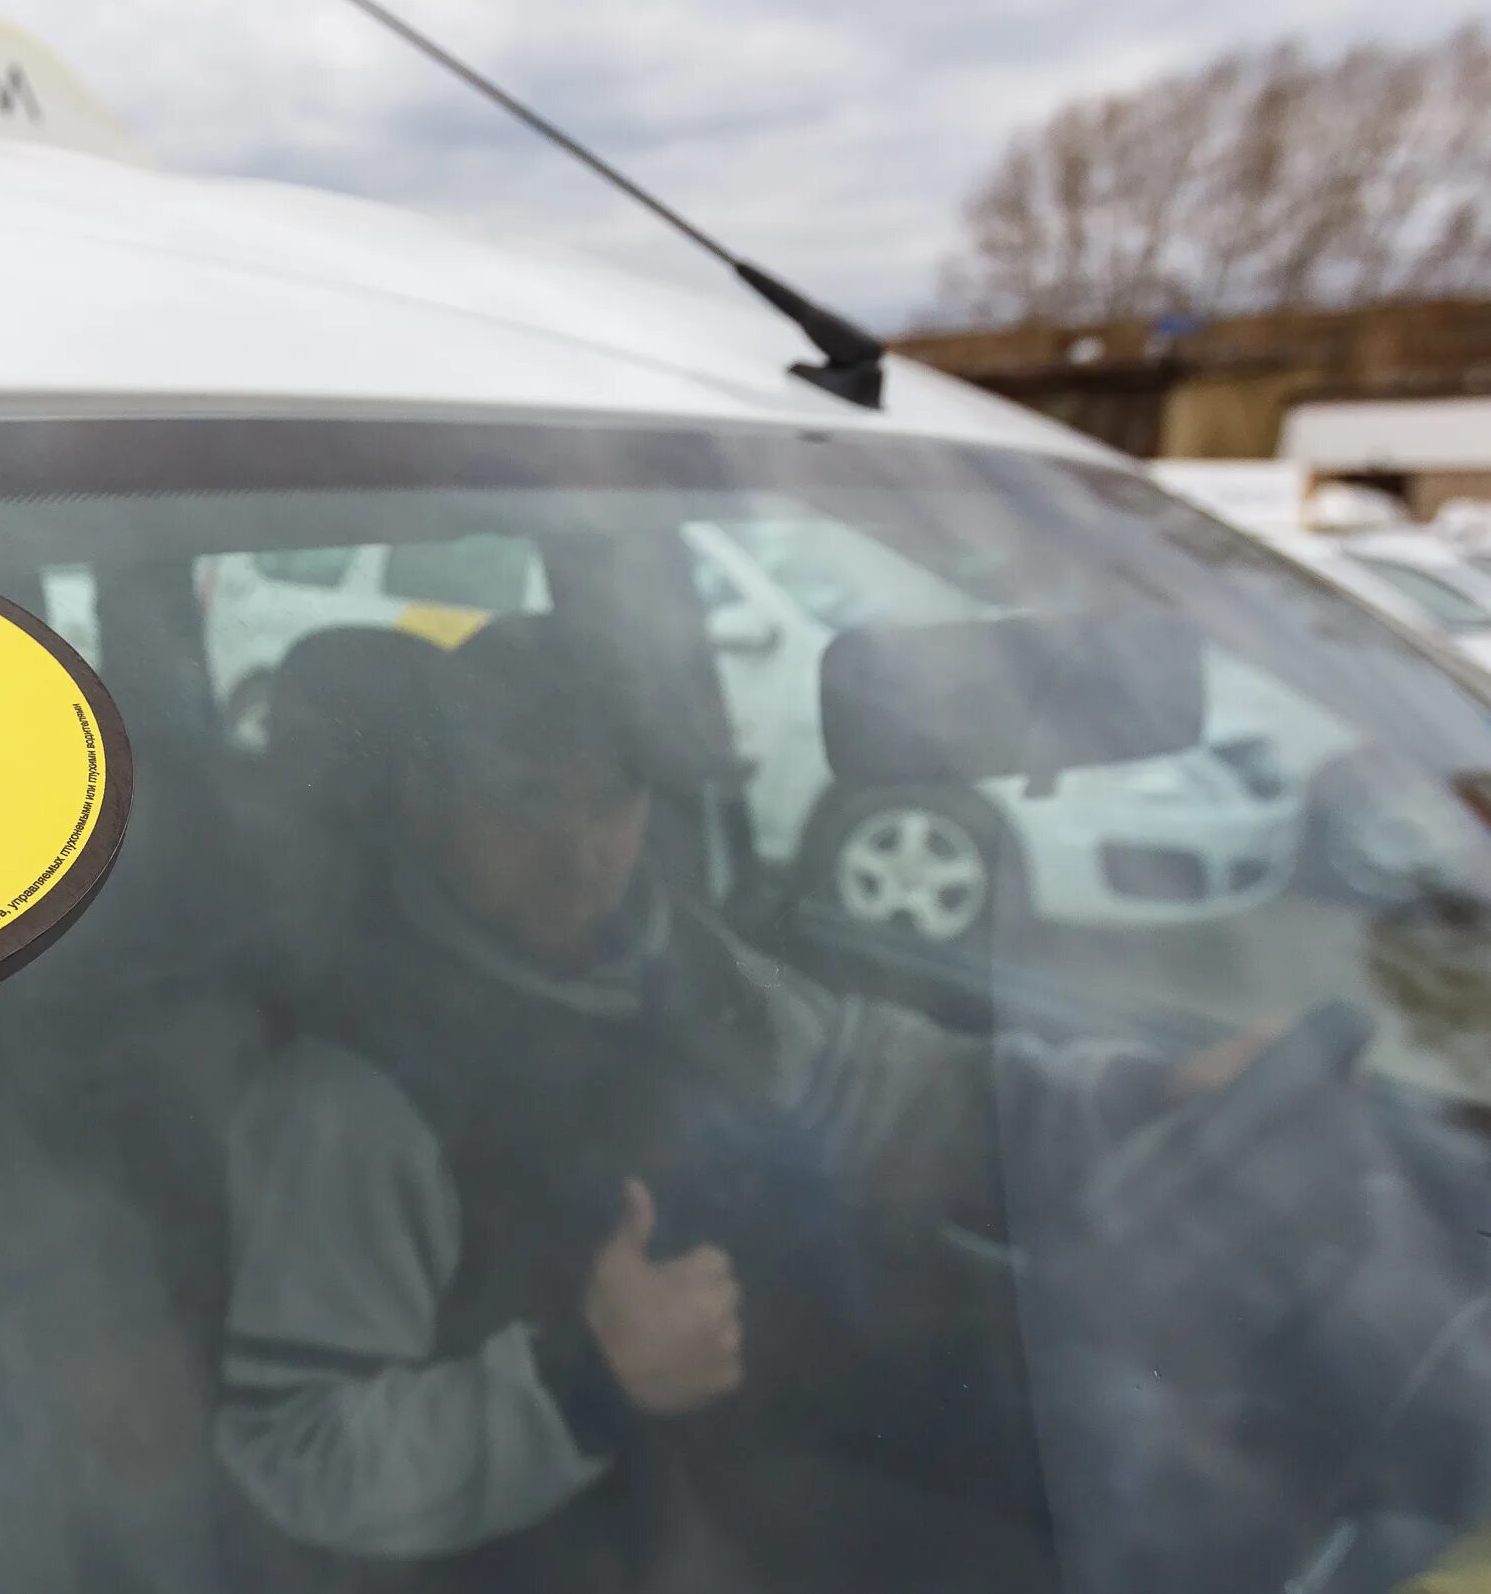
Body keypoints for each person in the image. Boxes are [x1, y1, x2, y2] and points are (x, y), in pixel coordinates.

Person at [213, 614, 1267, 1591]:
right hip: (582, 1550)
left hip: (777, 1461)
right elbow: (292, 1449)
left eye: (609, 798)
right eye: (529, 798)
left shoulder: (681, 958)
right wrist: (580, 1380)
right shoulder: (356, 1094)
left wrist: (1140, 1091)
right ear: (430, 801)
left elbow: (895, 1081)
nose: (580, 851)